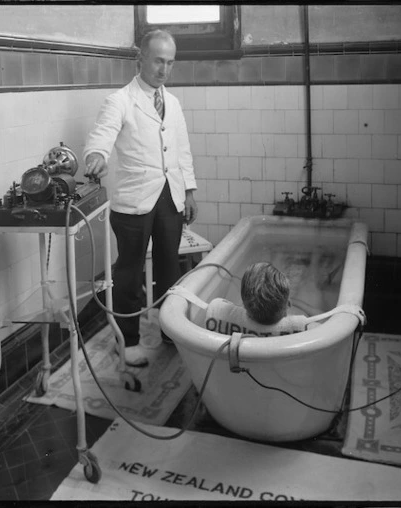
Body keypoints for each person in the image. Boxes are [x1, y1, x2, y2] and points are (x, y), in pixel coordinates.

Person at [83, 29, 198, 367]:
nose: (164, 69)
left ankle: (168, 329)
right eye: (159, 61)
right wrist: (96, 157)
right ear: (141, 60)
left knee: (168, 269)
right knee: (129, 273)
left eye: (170, 63)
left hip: (170, 198)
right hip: (134, 200)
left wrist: (189, 190)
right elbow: (100, 137)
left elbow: (182, 151)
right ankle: (128, 340)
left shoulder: (173, 103)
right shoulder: (119, 100)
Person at [204, 262, 311, 337]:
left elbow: (218, 306)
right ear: (288, 305)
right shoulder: (300, 328)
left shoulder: (224, 321)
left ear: (244, 305)